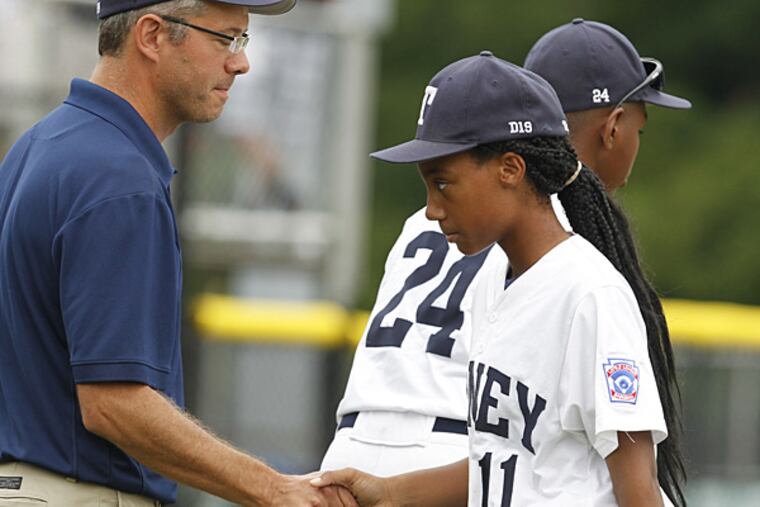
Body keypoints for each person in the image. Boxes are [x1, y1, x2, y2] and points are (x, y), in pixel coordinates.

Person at [0, 1, 355, 506]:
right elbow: (114, 404)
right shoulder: (117, 175)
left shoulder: (39, 143)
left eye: (242, 41)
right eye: (224, 38)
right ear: (151, 36)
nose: (240, 62)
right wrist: (273, 488)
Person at [321, 17, 690, 498]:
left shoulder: (453, 222)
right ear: (615, 126)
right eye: (641, 127)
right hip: (464, 451)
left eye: (441, 182)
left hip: (369, 443)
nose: (435, 207)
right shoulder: (532, 234)